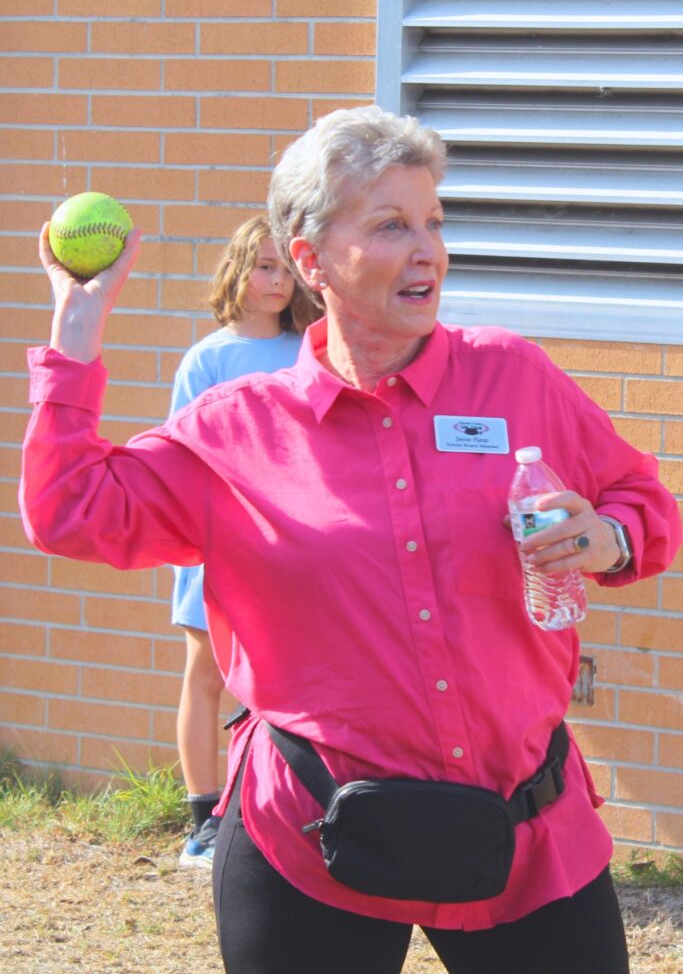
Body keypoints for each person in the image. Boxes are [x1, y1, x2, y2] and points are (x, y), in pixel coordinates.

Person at [20, 106, 680, 974]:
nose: (428, 250)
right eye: (390, 225)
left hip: (526, 833)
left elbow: (645, 504)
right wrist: (74, 342)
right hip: (308, 836)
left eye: (434, 223)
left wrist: (608, 536)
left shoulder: (513, 375)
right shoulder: (235, 428)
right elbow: (71, 511)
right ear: (309, 260)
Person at [171, 216, 322, 869]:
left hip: (293, 550)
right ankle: (204, 820)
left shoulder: (312, 349)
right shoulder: (208, 358)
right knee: (206, 677)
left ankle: (284, 813)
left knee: (294, 680)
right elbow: (179, 456)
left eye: (286, 269)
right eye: (263, 267)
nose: (276, 282)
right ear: (238, 269)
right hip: (217, 543)